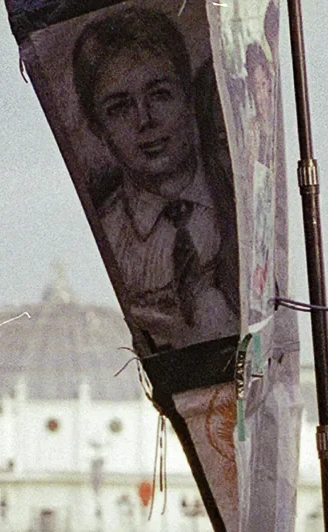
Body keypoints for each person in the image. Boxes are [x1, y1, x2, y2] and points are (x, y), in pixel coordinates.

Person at [69, 6, 240, 355]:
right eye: (119, 107)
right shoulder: (110, 233)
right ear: (96, 128)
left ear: (188, 98)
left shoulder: (240, 205)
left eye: (160, 94)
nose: (145, 120)